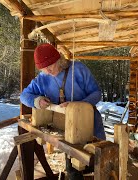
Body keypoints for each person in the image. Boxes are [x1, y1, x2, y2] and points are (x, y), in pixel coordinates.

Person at [20, 43, 106, 179]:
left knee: (98, 166)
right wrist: (37, 100)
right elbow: (24, 96)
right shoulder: (42, 79)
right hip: (69, 129)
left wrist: (77, 106)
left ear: (58, 59)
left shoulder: (78, 69)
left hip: (91, 125)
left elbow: (96, 93)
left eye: (50, 66)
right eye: (44, 68)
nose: (48, 71)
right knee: (73, 170)